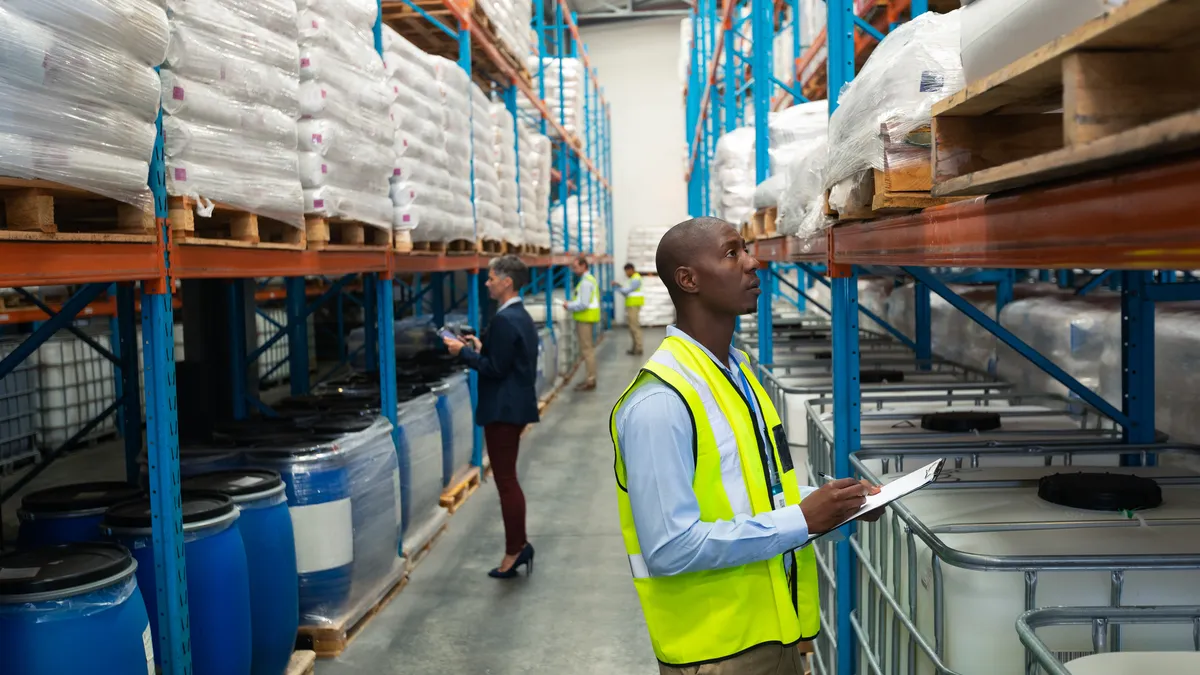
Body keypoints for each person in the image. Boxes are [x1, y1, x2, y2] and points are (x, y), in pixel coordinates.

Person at [609, 217, 883, 675]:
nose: (754, 263)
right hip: (717, 654)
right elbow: (671, 548)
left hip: (773, 636)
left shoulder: (738, 374)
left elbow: (758, 498)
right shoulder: (660, 401)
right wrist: (801, 519)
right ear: (688, 279)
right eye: (732, 253)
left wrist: (834, 508)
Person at [443, 255, 539, 578]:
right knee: (508, 479)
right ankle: (518, 545)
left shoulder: (504, 320)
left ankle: (515, 550)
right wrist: (483, 346)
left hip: (503, 409)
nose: (487, 282)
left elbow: (496, 369)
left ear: (507, 281)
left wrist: (463, 353)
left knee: (506, 482)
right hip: (514, 406)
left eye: (491, 277)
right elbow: (507, 359)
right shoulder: (518, 316)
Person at [562, 255, 600, 391]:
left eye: (576, 267)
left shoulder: (585, 282)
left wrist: (569, 306)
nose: (574, 269)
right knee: (587, 349)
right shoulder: (588, 280)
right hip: (586, 318)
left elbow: (583, 304)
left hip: (585, 319)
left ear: (584, 266)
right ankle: (590, 378)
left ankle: (590, 380)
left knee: (587, 350)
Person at [611, 262, 645, 356]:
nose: (626, 274)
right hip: (631, 305)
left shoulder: (636, 279)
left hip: (634, 305)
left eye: (626, 271)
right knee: (632, 327)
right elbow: (627, 288)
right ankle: (635, 348)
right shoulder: (633, 279)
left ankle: (638, 348)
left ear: (631, 270)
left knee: (634, 327)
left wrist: (617, 289)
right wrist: (618, 285)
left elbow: (628, 291)